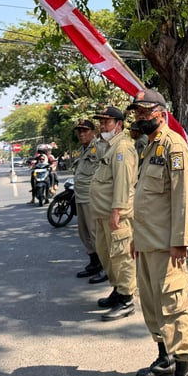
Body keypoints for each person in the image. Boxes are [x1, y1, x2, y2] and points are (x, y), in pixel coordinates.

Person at [128, 89, 188, 376]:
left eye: (146, 113)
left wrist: (180, 242)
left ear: (160, 112)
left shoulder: (173, 146)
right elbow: (145, 199)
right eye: (137, 114)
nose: (141, 118)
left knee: (172, 306)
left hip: (168, 246)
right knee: (152, 306)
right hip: (146, 242)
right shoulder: (149, 146)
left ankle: (184, 372)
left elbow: (183, 196)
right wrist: (135, 237)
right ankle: (165, 359)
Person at [89, 106, 139, 321]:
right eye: (101, 122)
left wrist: (116, 211)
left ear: (119, 125)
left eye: (107, 122)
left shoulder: (122, 148)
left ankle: (127, 299)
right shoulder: (108, 147)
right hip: (103, 214)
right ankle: (118, 290)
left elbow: (123, 184)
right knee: (106, 254)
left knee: (121, 257)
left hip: (116, 215)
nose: (102, 126)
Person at [72, 118, 107, 282]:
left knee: (96, 234)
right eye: (79, 131)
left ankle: (105, 267)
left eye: (85, 131)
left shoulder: (100, 148)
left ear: (93, 133)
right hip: (80, 196)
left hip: (92, 197)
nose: (81, 134)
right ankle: (93, 263)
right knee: (84, 232)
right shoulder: (82, 150)